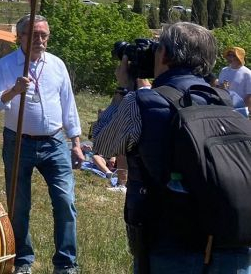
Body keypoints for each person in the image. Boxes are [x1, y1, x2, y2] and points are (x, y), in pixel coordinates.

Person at [95, 23, 251, 272]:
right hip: (232, 242)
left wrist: (123, 88)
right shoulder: (229, 101)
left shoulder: (143, 102)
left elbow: (103, 143)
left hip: (171, 245)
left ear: (165, 55)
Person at [0, 14, 83, 274]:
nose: (40, 40)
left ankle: (66, 264)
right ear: (20, 37)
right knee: (19, 203)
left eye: (44, 35)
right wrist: (13, 91)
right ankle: (23, 260)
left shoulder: (57, 65)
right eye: (34, 34)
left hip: (55, 143)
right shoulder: (7, 65)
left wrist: (76, 142)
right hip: (18, 143)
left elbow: (68, 104)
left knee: (65, 201)